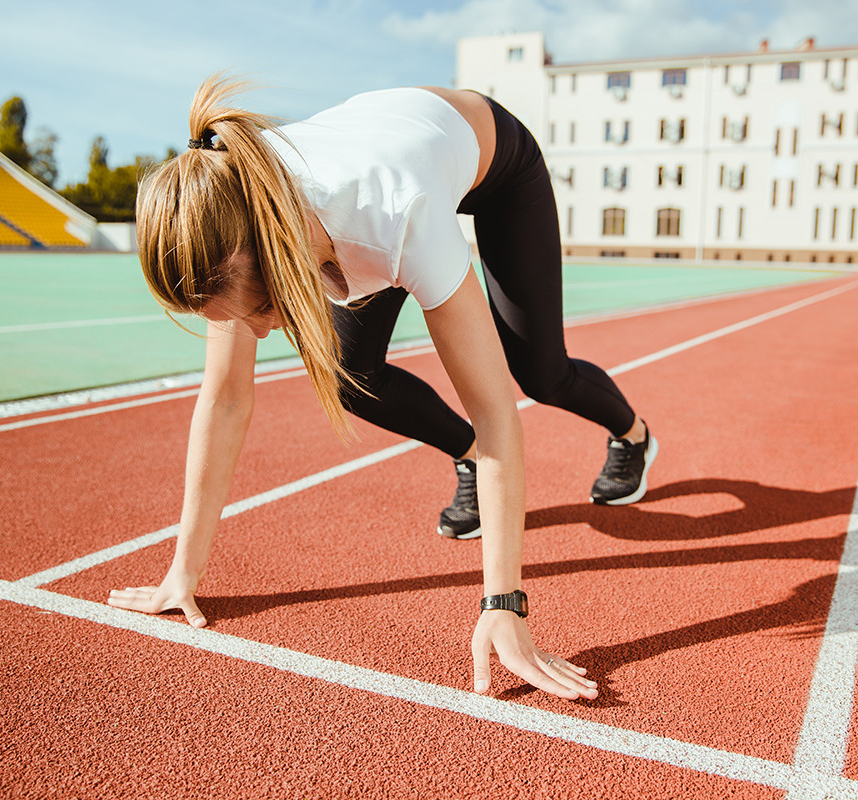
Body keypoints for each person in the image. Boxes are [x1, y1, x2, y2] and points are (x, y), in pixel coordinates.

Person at [107, 75, 657, 701]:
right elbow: (226, 399)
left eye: (259, 310)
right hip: (370, 180)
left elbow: (498, 415)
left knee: (539, 373)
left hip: (494, 164)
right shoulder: (231, 209)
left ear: (283, 253)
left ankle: (633, 435)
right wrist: (185, 568)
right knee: (350, 374)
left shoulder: (398, 217)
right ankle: (466, 460)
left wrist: (504, 604)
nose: (257, 333)